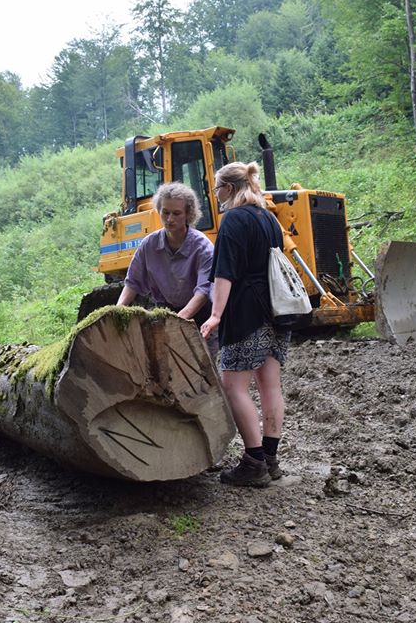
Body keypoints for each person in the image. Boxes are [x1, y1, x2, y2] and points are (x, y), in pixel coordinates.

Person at [200, 161, 289, 487]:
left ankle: (253, 463)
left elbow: (225, 273)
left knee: (234, 387)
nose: (215, 194)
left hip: (246, 311)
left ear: (228, 188)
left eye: (216, 188)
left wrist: (216, 315)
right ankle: (270, 457)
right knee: (270, 385)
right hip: (277, 310)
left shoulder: (234, 220)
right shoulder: (269, 219)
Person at [118, 182, 216, 336]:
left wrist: (179, 320)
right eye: (165, 212)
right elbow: (132, 282)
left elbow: (203, 291)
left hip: (201, 315)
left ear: (188, 215)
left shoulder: (203, 247)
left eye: (176, 214)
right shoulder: (149, 244)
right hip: (166, 312)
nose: (170, 219)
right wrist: (118, 310)